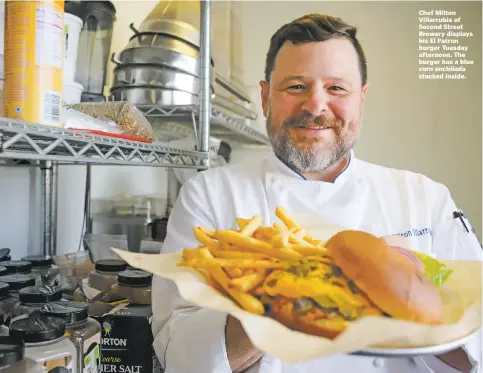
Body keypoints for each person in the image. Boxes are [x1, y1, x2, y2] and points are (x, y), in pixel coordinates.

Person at [151, 13, 482, 373]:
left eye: (337, 88)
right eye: (296, 87)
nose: (315, 106)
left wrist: (408, 305)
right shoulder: (210, 195)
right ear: (265, 99)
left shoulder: (425, 197)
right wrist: (281, 300)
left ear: (361, 100)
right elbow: (177, 348)